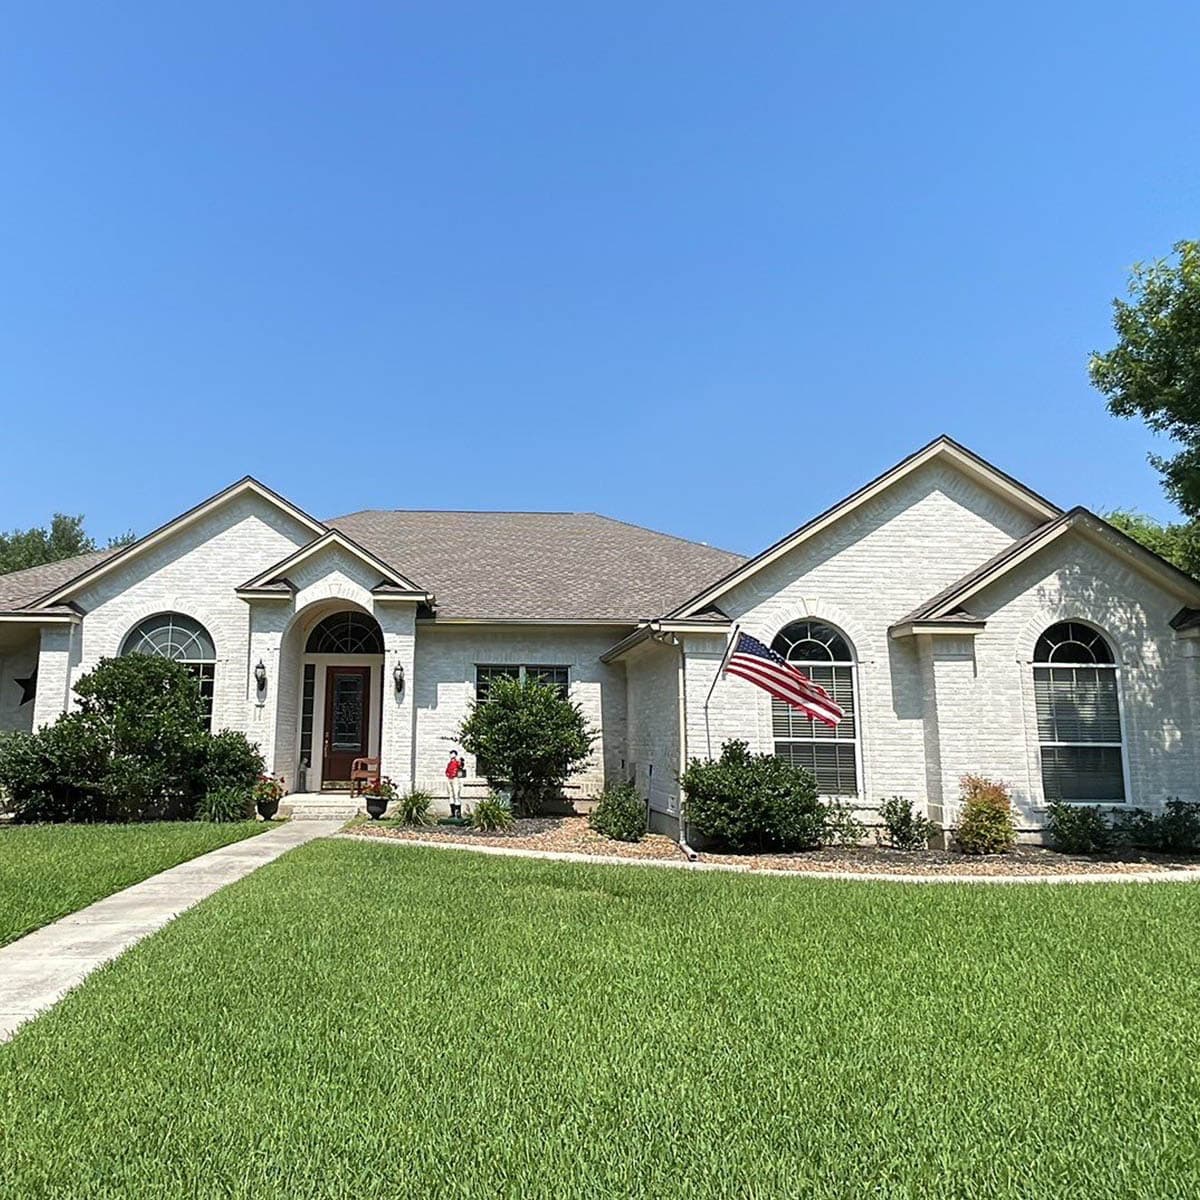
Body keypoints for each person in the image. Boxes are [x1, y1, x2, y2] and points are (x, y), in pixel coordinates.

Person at [445, 750, 467, 818]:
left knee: (456, 795)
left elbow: (460, 766)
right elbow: (447, 771)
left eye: (452, 754)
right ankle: (452, 812)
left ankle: (458, 813)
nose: (451, 755)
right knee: (451, 795)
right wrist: (448, 774)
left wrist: (461, 762)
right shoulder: (449, 763)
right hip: (449, 779)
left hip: (455, 779)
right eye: (450, 754)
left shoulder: (457, 762)